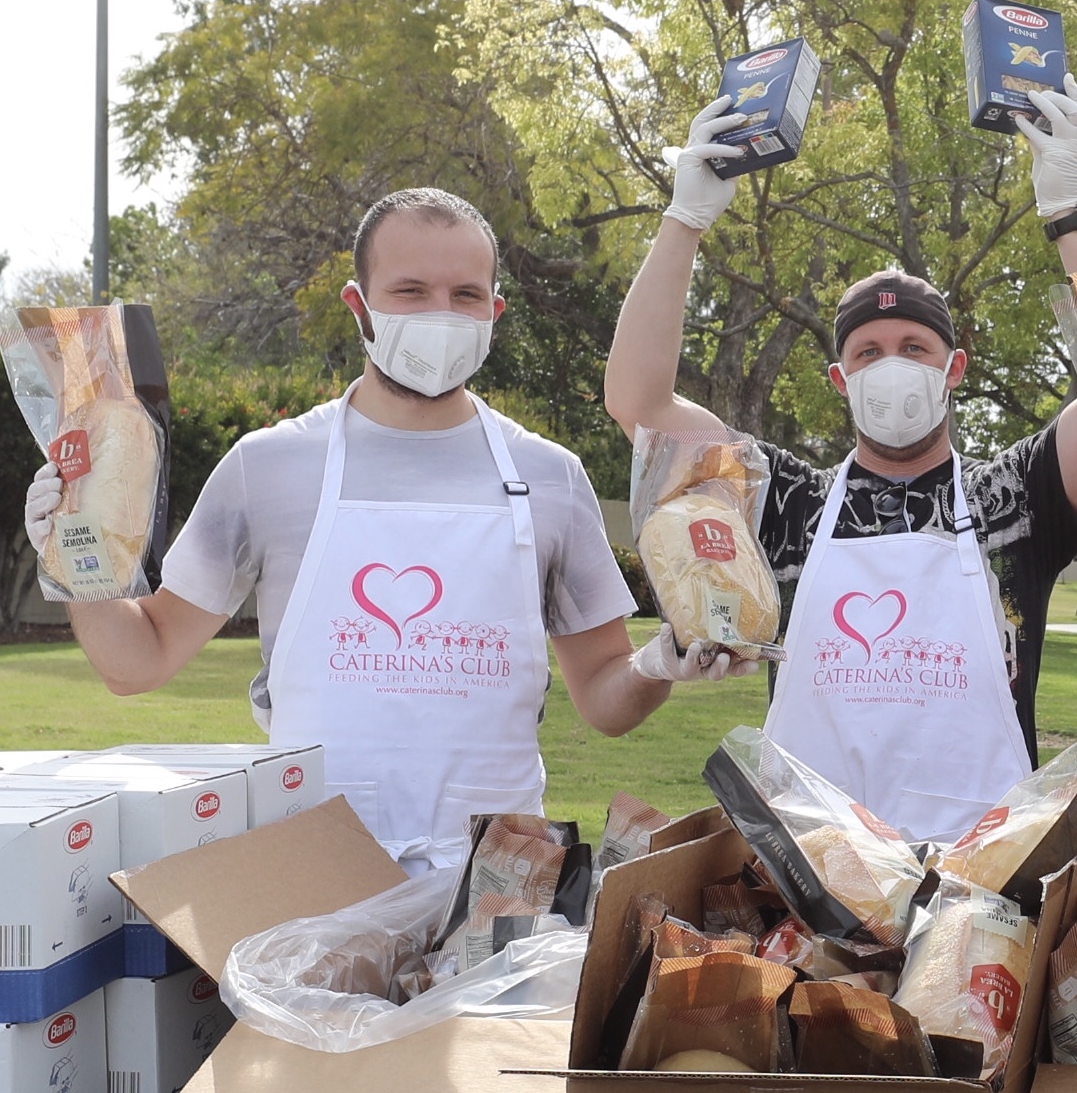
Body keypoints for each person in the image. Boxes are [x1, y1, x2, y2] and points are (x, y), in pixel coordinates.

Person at [23, 188, 737, 874]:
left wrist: (658, 665)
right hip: (316, 874)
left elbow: (605, 699)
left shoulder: (548, 475)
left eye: (464, 296)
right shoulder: (268, 467)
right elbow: (138, 662)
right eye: (411, 291)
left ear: (495, 309)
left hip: (497, 886)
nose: (441, 314)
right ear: (358, 306)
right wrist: (72, 557)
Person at [605, 81, 1077, 843]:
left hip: (977, 878)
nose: (892, 367)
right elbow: (640, 405)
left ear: (954, 371)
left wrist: (1066, 215)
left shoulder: (1017, 496)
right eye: (867, 354)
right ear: (841, 382)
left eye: (915, 349)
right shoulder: (784, 501)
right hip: (814, 872)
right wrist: (683, 222)